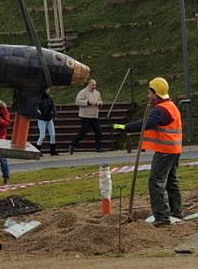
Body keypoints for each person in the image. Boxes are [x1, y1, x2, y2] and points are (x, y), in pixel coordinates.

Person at [113, 77, 183, 227]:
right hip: (174, 149)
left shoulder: (161, 109)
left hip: (165, 151)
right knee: (171, 180)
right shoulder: (170, 105)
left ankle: (162, 216)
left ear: (156, 93)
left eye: (149, 93)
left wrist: (125, 127)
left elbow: (147, 123)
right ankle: (176, 211)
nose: (148, 96)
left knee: (156, 182)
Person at [69, 79, 103, 154]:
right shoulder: (83, 92)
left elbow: (101, 101)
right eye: (92, 85)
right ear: (89, 84)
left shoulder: (97, 93)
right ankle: (72, 145)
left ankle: (98, 148)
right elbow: (77, 101)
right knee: (83, 132)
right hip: (85, 116)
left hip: (95, 115)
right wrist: (88, 102)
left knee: (99, 131)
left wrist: (99, 103)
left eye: (95, 85)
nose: (94, 87)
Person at [35, 87, 58, 155]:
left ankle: (52, 151)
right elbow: (36, 107)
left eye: (49, 89)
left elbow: (53, 107)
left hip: (49, 119)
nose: (48, 90)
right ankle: (38, 152)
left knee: (53, 135)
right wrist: (38, 111)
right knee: (42, 136)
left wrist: (54, 113)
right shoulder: (39, 99)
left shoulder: (50, 98)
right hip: (42, 120)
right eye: (47, 89)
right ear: (44, 90)